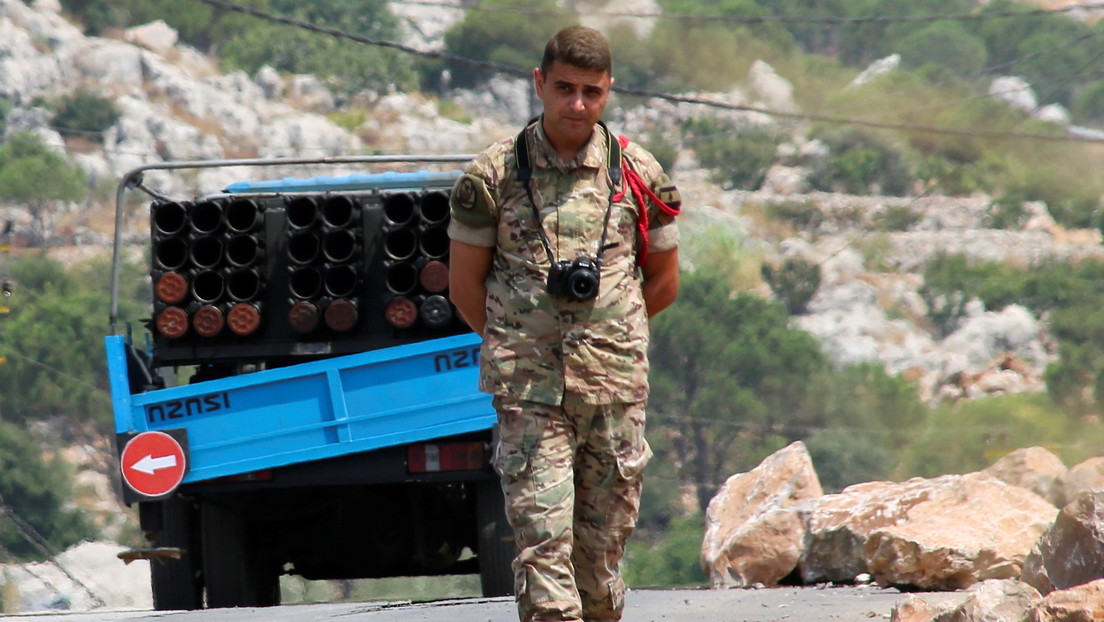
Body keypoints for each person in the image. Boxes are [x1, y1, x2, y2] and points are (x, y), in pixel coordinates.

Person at [447, 24, 682, 622]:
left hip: (613, 391)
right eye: (564, 88)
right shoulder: (493, 176)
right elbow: (464, 286)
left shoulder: (639, 175)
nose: (577, 105)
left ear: (608, 92)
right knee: (545, 558)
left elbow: (663, 282)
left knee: (598, 575)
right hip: (530, 395)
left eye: (592, 92)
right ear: (539, 85)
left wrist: (611, 332)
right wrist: (519, 341)